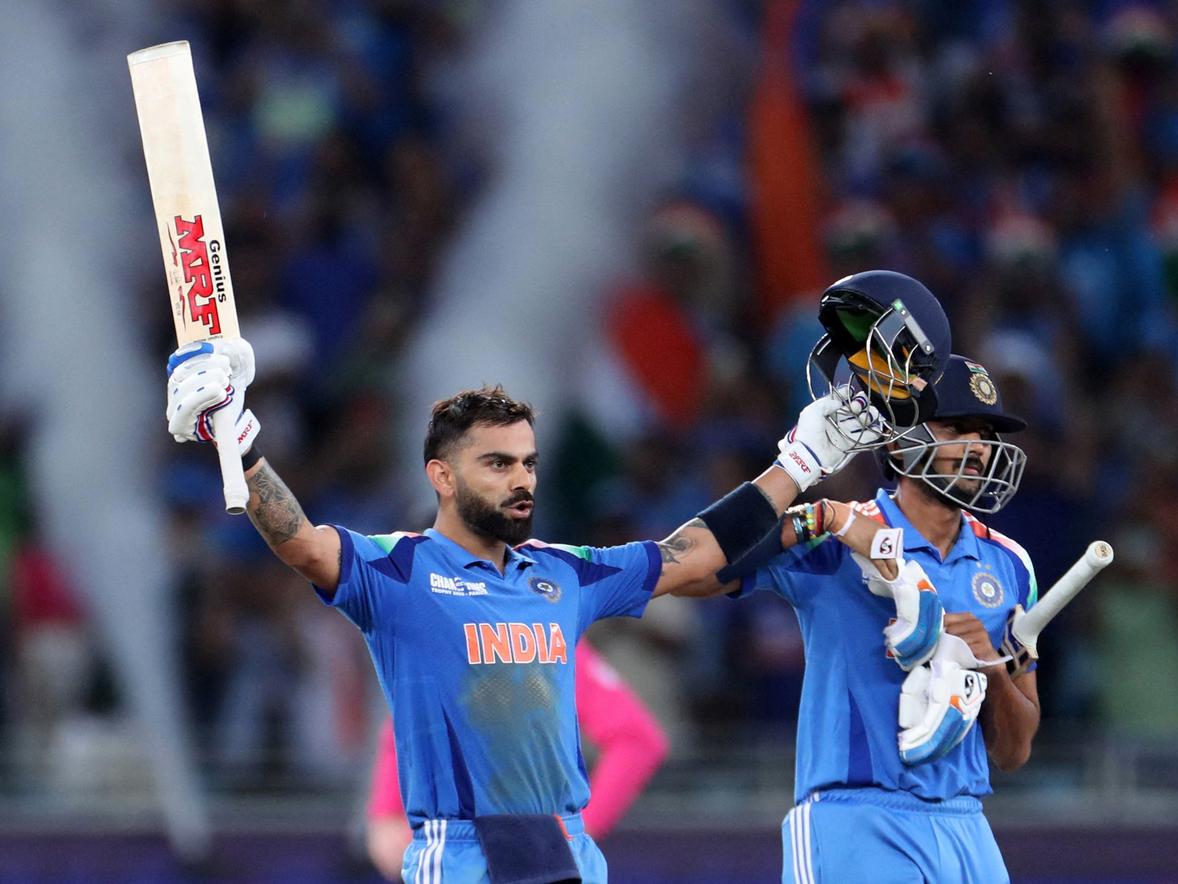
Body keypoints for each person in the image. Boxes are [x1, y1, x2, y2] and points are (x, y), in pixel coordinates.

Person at [163, 269, 947, 882]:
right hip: (462, 854)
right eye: (497, 464)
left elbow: (693, 555)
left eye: (529, 463)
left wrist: (800, 461)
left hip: (569, 850)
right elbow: (302, 544)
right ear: (442, 476)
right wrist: (239, 443)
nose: (522, 481)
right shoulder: (398, 568)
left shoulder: (562, 571)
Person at [690, 354, 1039, 883]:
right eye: (957, 428)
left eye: (986, 433)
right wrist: (812, 509)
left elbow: (1013, 752)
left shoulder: (1010, 564)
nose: (978, 447)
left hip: (967, 823)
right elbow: (697, 573)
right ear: (898, 442)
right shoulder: (834, 535)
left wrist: (989, 665)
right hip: (854, 816)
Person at [364, 637, 669, 881]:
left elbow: (636, 741)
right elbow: (412, 720)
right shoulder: (449, 622)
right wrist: (386, 813)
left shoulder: (544, 633)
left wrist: (574, 831)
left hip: (529, 856)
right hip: (456, 853)